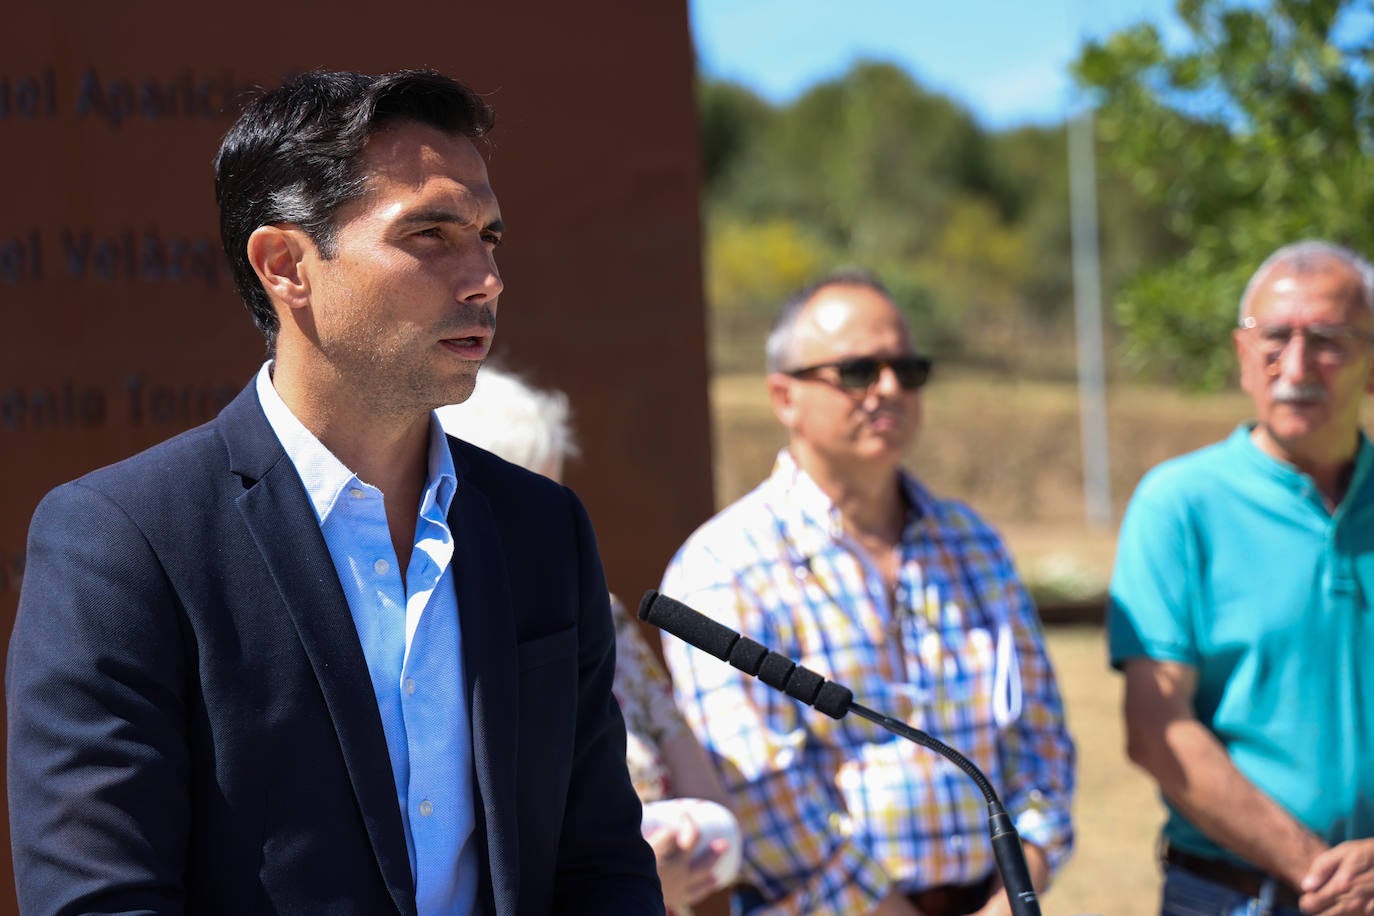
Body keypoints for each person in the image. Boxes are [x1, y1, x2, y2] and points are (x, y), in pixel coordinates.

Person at [6, 69, 663, 915]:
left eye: (489, 238)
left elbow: (601, 863)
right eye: (430, 234)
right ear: (286, 265)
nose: (484, 278)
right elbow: (100, 897)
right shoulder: (122, 539)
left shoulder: (542, 527)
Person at [658, 270, 1075, 916]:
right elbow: (764, 793)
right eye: (857, 371)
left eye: (906, 370)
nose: (888, 389)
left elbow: (1042, 743)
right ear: (784, 396)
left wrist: (1015, 891)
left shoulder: (973, 543)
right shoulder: (723, 566)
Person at [1109, 239, 1374, 916]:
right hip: (1230, 897)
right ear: (1240, 355)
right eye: (1275, 336)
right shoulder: (1180, 505)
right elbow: (1155, 724)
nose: (1297, 364)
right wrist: (1324, 876)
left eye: (1329, 339)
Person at [437, 367, 743, 914]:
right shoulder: (439, 635)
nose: (538, 525)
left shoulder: (601, 614)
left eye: (549, 491)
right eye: (517, 498)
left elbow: (710, 799)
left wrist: (664, 862)